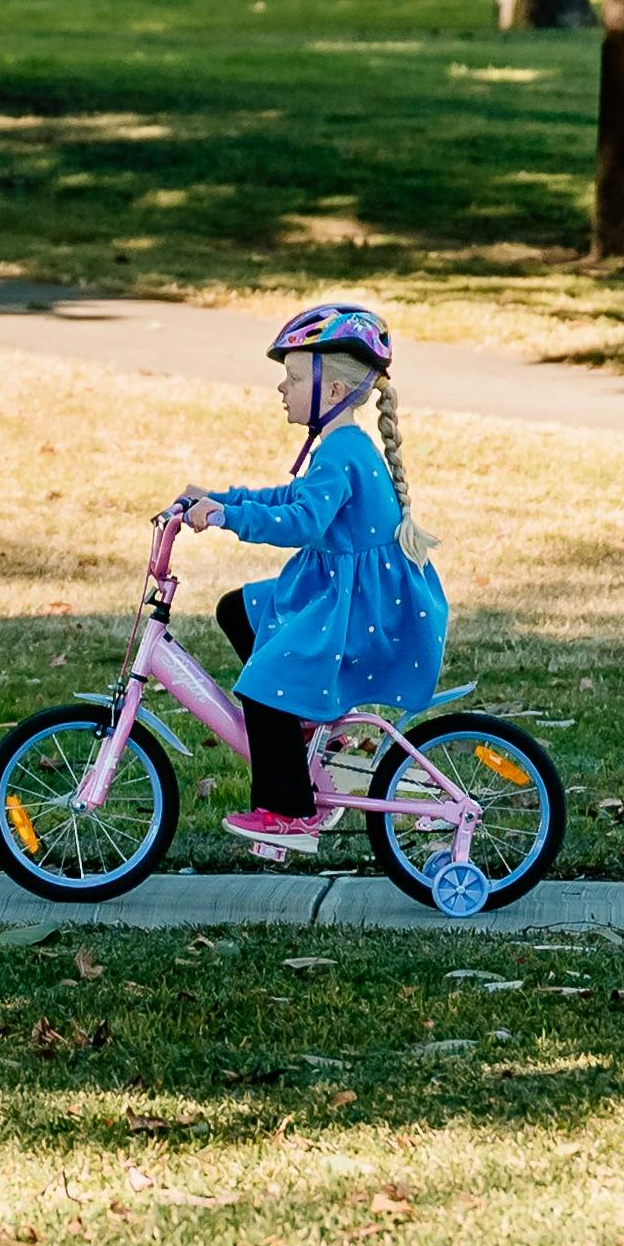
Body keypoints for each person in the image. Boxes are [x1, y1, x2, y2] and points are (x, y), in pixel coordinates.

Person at [171, 303, 446, 842]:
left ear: (335, 393)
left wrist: (227, 518)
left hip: (357, 607)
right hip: (336, 591)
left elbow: (300, 520)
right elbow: (288, 496)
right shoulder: (338, 448)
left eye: (294, 379)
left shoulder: (341, 452)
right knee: (236, 608)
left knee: (263, 687)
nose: (283, 389)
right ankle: (303, 722)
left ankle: (289, 812)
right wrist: (217, 496)